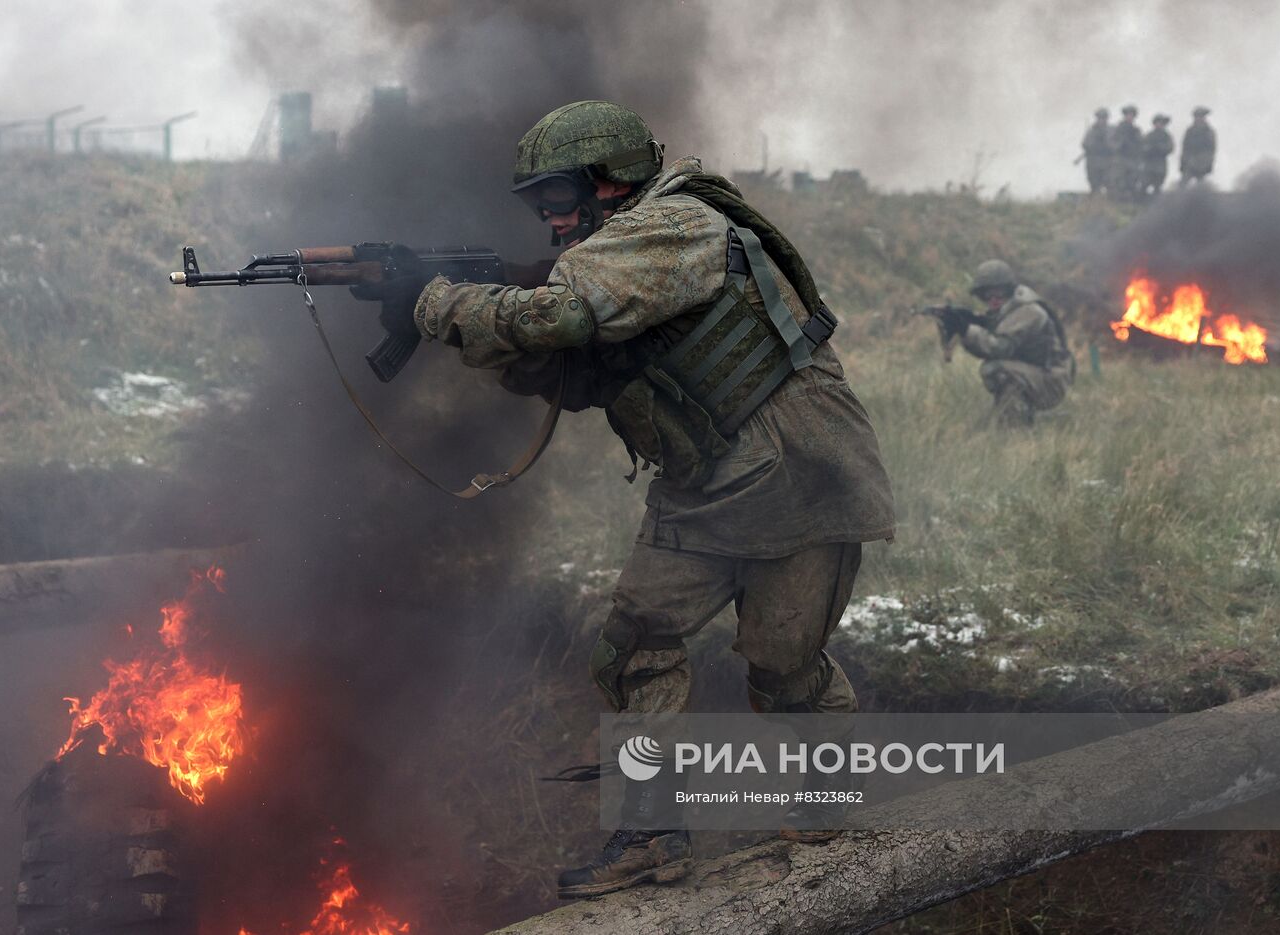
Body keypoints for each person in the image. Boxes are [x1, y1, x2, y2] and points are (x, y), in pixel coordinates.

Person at [378, 100, 896, 895]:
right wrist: (467, 327)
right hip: (709, 479)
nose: (550, 224)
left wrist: (438, 300)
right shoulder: (625, 249)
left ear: (609, 184)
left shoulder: (673, 225)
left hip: (800, 469)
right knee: (632, 644)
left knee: (784, 667)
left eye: (556, 201)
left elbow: (558, 312)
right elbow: (586, 372)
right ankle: (652, 833)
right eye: (537, 207)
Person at [954, 260, 1075, 426]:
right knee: (1000, 370)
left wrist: (967, 330)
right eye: (987, 295)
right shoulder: (1006, 311)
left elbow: (999, 348)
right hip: (1038, 374)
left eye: (1000, 293)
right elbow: (986, 349)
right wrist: (963, 329)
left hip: (1052, 381)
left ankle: (1014, 426)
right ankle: (1011, 418)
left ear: (1010, 290)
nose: (994, 299)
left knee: (995, 369)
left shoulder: (1028, 311)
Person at [1108, 104, 1143, 200]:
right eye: (1128, 115)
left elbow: (1141, 145)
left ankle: (1128, 202)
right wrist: (1119, 145)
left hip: (1132, 160)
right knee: (1118, 181)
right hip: (1119, 159)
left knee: (1131, 182)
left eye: (1132, 115)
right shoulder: (1118, 129)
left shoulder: (1136, 130)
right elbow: (1111, 142)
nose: (1130, 117)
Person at [1180, 106, 1216, 185]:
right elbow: (1184, 147)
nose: (1199, 118)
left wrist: (1209, 162)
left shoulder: (1208, 131)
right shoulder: (1190, 131)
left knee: (1200, 185)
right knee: (1183, 183)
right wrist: (1183, 162)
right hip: (1190, 161)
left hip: (1202, 162)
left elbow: (1212, 149)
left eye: (1201, 116)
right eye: (1198, 116)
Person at [1141, 114, 1174, 197]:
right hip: (1149, 165)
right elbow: (1142, 148)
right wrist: (1150, 149)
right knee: (1144, 185)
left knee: (1157, 187)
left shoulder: (1166, 136)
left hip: (1160, 165)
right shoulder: (1149, 135)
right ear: (1155, 123)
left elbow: (1170, 148)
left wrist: (1160, 148)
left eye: (1162, 123)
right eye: (1158, 122)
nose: (1160, 125)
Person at [1080, 107, 1112, 195]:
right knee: (1094, 184)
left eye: (1104, 117)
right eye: (1100, 118)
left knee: (1109, 184)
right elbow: (1084, 144)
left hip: (1107, 161)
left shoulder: (1110, 131)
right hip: (1093, 161)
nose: (1102, 120)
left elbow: (1114, 145)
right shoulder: (1091, 131)